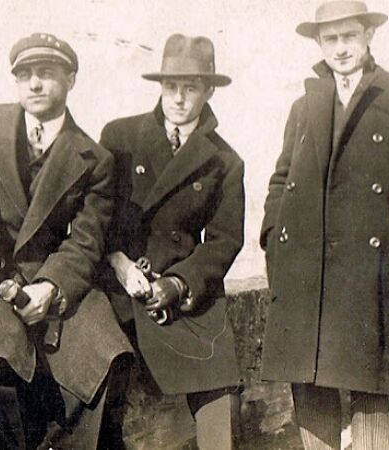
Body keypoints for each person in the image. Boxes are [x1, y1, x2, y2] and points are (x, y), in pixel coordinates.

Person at [259, 1, 389, 449]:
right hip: (305, 275)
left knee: (371, 398)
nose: (341, 48)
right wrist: (274, 237)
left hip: (370, 275)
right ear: (319, 43)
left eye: (349, 36)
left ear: (369, 36)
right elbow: (282, 178)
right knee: (310, 392)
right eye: (331, 38)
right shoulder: (304, 106)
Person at [0, 33, 132, 449]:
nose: (34, 84)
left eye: (46, 73)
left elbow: (85, 241)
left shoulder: (94, 158)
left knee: (106, 354)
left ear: (71, 80)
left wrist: (51, 287)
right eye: (25, 75)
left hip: (54, 279)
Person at [99, 34, 245, 450]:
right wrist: (119, 262)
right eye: (170, 86)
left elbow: (224, 241)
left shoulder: (225, 161)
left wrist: (178, 283)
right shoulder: (120, 138)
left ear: (209, 90)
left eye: (191, 87)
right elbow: (95, 215)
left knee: (220, 390)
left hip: (181, 291)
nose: (178, 98)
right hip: (116, 285)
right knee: (97, 377)